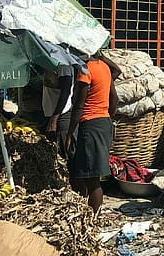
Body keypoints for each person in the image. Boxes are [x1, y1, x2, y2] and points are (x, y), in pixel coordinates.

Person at [67, 53, 121, 213]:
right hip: (103, 122)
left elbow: (79, 105)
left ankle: (93, 216)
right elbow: (115, 98)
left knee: (92, 178)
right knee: (86, 173)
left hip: (90, 124)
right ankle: (87, 211)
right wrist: (106, 116)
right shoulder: (104, 67)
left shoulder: (86, 70)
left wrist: (70, 133)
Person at [43, 65, 77, 160]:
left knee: (64, 157)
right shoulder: (52, 64)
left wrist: (53, 120)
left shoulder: (63, 66)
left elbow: (65, 92)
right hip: (52, 116)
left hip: (61, 116)